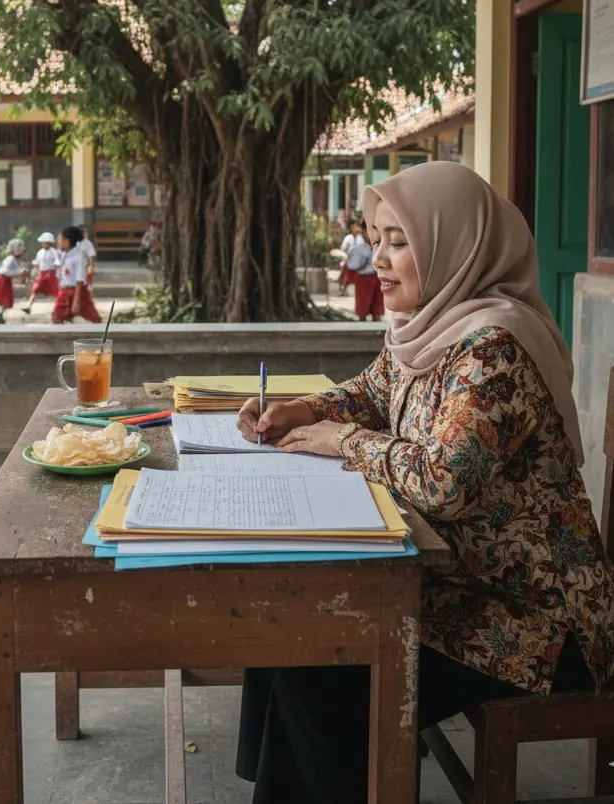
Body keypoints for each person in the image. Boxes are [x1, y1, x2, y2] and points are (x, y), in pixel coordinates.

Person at [235, 161, 614, 804]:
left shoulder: (493, 347)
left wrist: (342, 440)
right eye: (375, 238)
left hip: (533, 619)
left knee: (322, 678)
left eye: (400, 242)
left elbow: (444, 481)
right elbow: (374, 392)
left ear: (454, 244)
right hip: (460, 578)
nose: (379, 259)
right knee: (292, 625)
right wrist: (306, 409)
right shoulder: (429, 327)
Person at [51, 226, 101, 324]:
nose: (58, 242)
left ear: (67, 241)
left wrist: (76, 301)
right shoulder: (64, 254)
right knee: (57, 317)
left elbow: (79, 279)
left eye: (60, 239)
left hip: (78, 291)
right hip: (64, 291)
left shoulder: (79, 256)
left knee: (91, 317)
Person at [346, 221, 384, 321]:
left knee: (377, 308)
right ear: (363, 232)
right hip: (364, 279)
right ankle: (362, 327)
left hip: (378, 278)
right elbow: (353, 266)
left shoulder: (381, 247)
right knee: (362, 306)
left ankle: (377, 329)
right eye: (368, 231)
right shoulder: (359, 249)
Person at [21, 232, 60, 314]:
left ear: (49, 243)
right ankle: (29, 306)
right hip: (42, 273)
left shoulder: (53, 251)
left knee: (55, 291)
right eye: (43, 242)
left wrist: (58, 265)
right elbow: (37, 262)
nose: (43, 244)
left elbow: (57, 261)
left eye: (45, 242)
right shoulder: (40, 252)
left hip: (50, 273)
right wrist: (34, 268)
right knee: (35, 289)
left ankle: (59, 307)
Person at [0, 244, 23, 324]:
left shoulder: (14, 259)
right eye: (17, 248)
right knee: (4, 298)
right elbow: (5, 271)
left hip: (6, 280)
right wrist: (19, 272)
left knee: (7, 299)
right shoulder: (11, 259)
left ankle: (0, 314)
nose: (20, 250)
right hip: (3, 279)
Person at [338, 218, 362, 295]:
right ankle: (343, 289)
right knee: (346, 276)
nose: (356, 228)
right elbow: (343, 249)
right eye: (354, 226)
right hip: (349, 260)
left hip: (359, 261)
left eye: (356, 226)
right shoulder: (348, 238)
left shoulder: (360, 238)